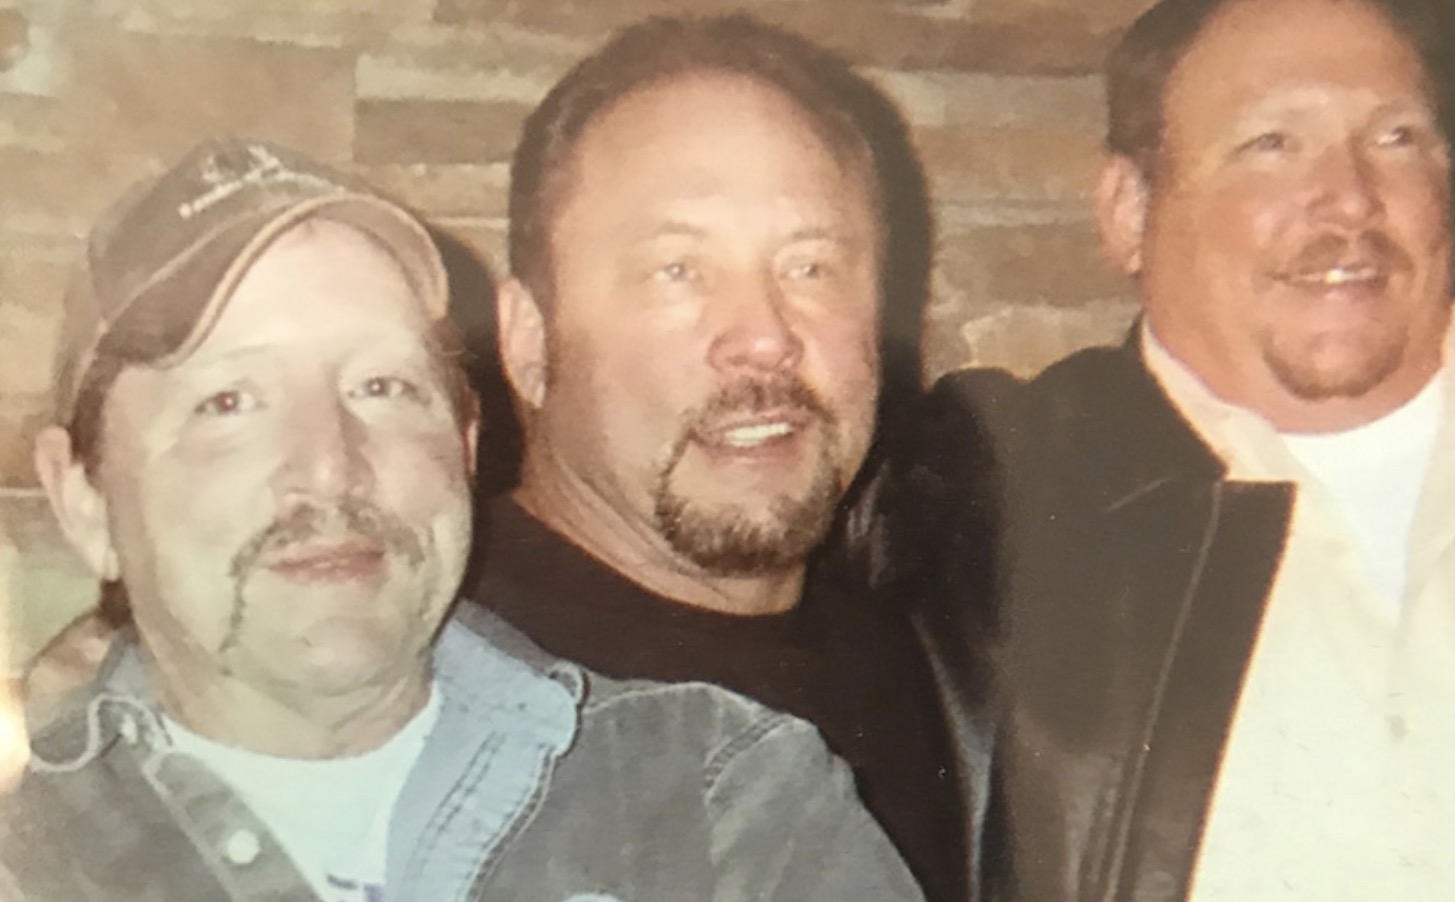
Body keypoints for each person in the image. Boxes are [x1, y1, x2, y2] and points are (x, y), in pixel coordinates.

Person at [3, 137, 923, 901]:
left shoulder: (725, 800)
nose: (329, 463)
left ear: (467, 444)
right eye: (230, 402)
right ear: (82, 497)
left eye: (383, 386)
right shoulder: (26, 841)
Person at [893, 0, 1455, 898]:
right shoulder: (984, 496)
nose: (1352, 197)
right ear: (1128, 211)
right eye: (1273, 144)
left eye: (1397, 138)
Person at [470, 15, 967, 902]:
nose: (765, 337)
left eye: (812, 267)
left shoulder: (935, 671)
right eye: (678, 270)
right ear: (532, 342)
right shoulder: (440, 702)